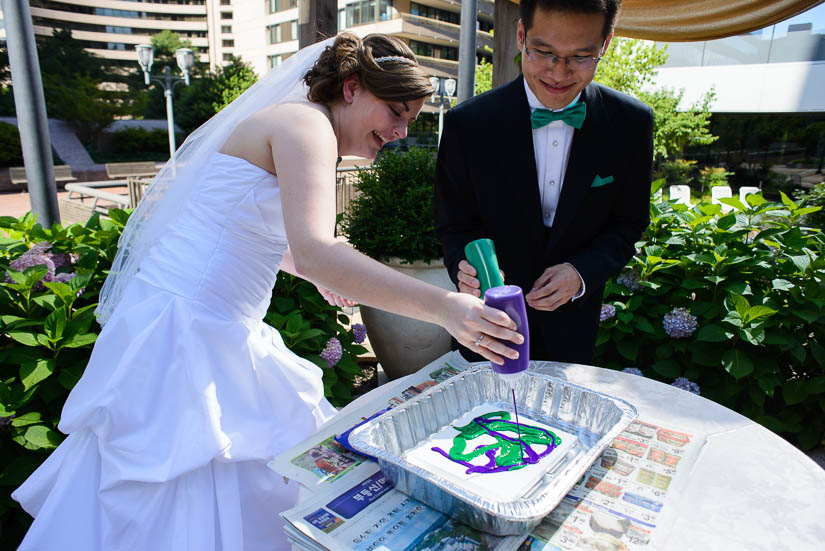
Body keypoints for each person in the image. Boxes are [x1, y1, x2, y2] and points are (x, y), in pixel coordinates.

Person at [12, 33, 523, 550]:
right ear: (350, 88)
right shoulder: (306, 125)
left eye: (410, 119)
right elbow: (316, 249)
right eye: (394, 112)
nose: (399, 131)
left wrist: (314, 273)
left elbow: (249, 231)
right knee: (180, 480)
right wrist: (445, 307)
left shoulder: (296, 121)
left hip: (205, 323)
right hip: (190, 334)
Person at [434, 0, 653, 365]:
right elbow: (454, 224)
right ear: (521, 36)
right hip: (487, 323)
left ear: (606, 45)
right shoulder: (467, 124)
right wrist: (467, 268)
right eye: (545, 52)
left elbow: (628, 224)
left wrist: (581, 272)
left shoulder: (631, 123)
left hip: (575, 329)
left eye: (581, 57)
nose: (559, 72)